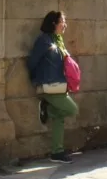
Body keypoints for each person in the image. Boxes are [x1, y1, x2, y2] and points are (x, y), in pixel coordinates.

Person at [27, 10, 79, 164]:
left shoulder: (58, 40)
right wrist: (37, 79)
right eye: (62, 21)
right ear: (54, 24)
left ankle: (57, 152)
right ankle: (46, 108)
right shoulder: (43, 40)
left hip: (60, 84)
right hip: (49, 84)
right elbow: (32, 62)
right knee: (72, 109)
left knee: (59, 117)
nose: (65, 24)